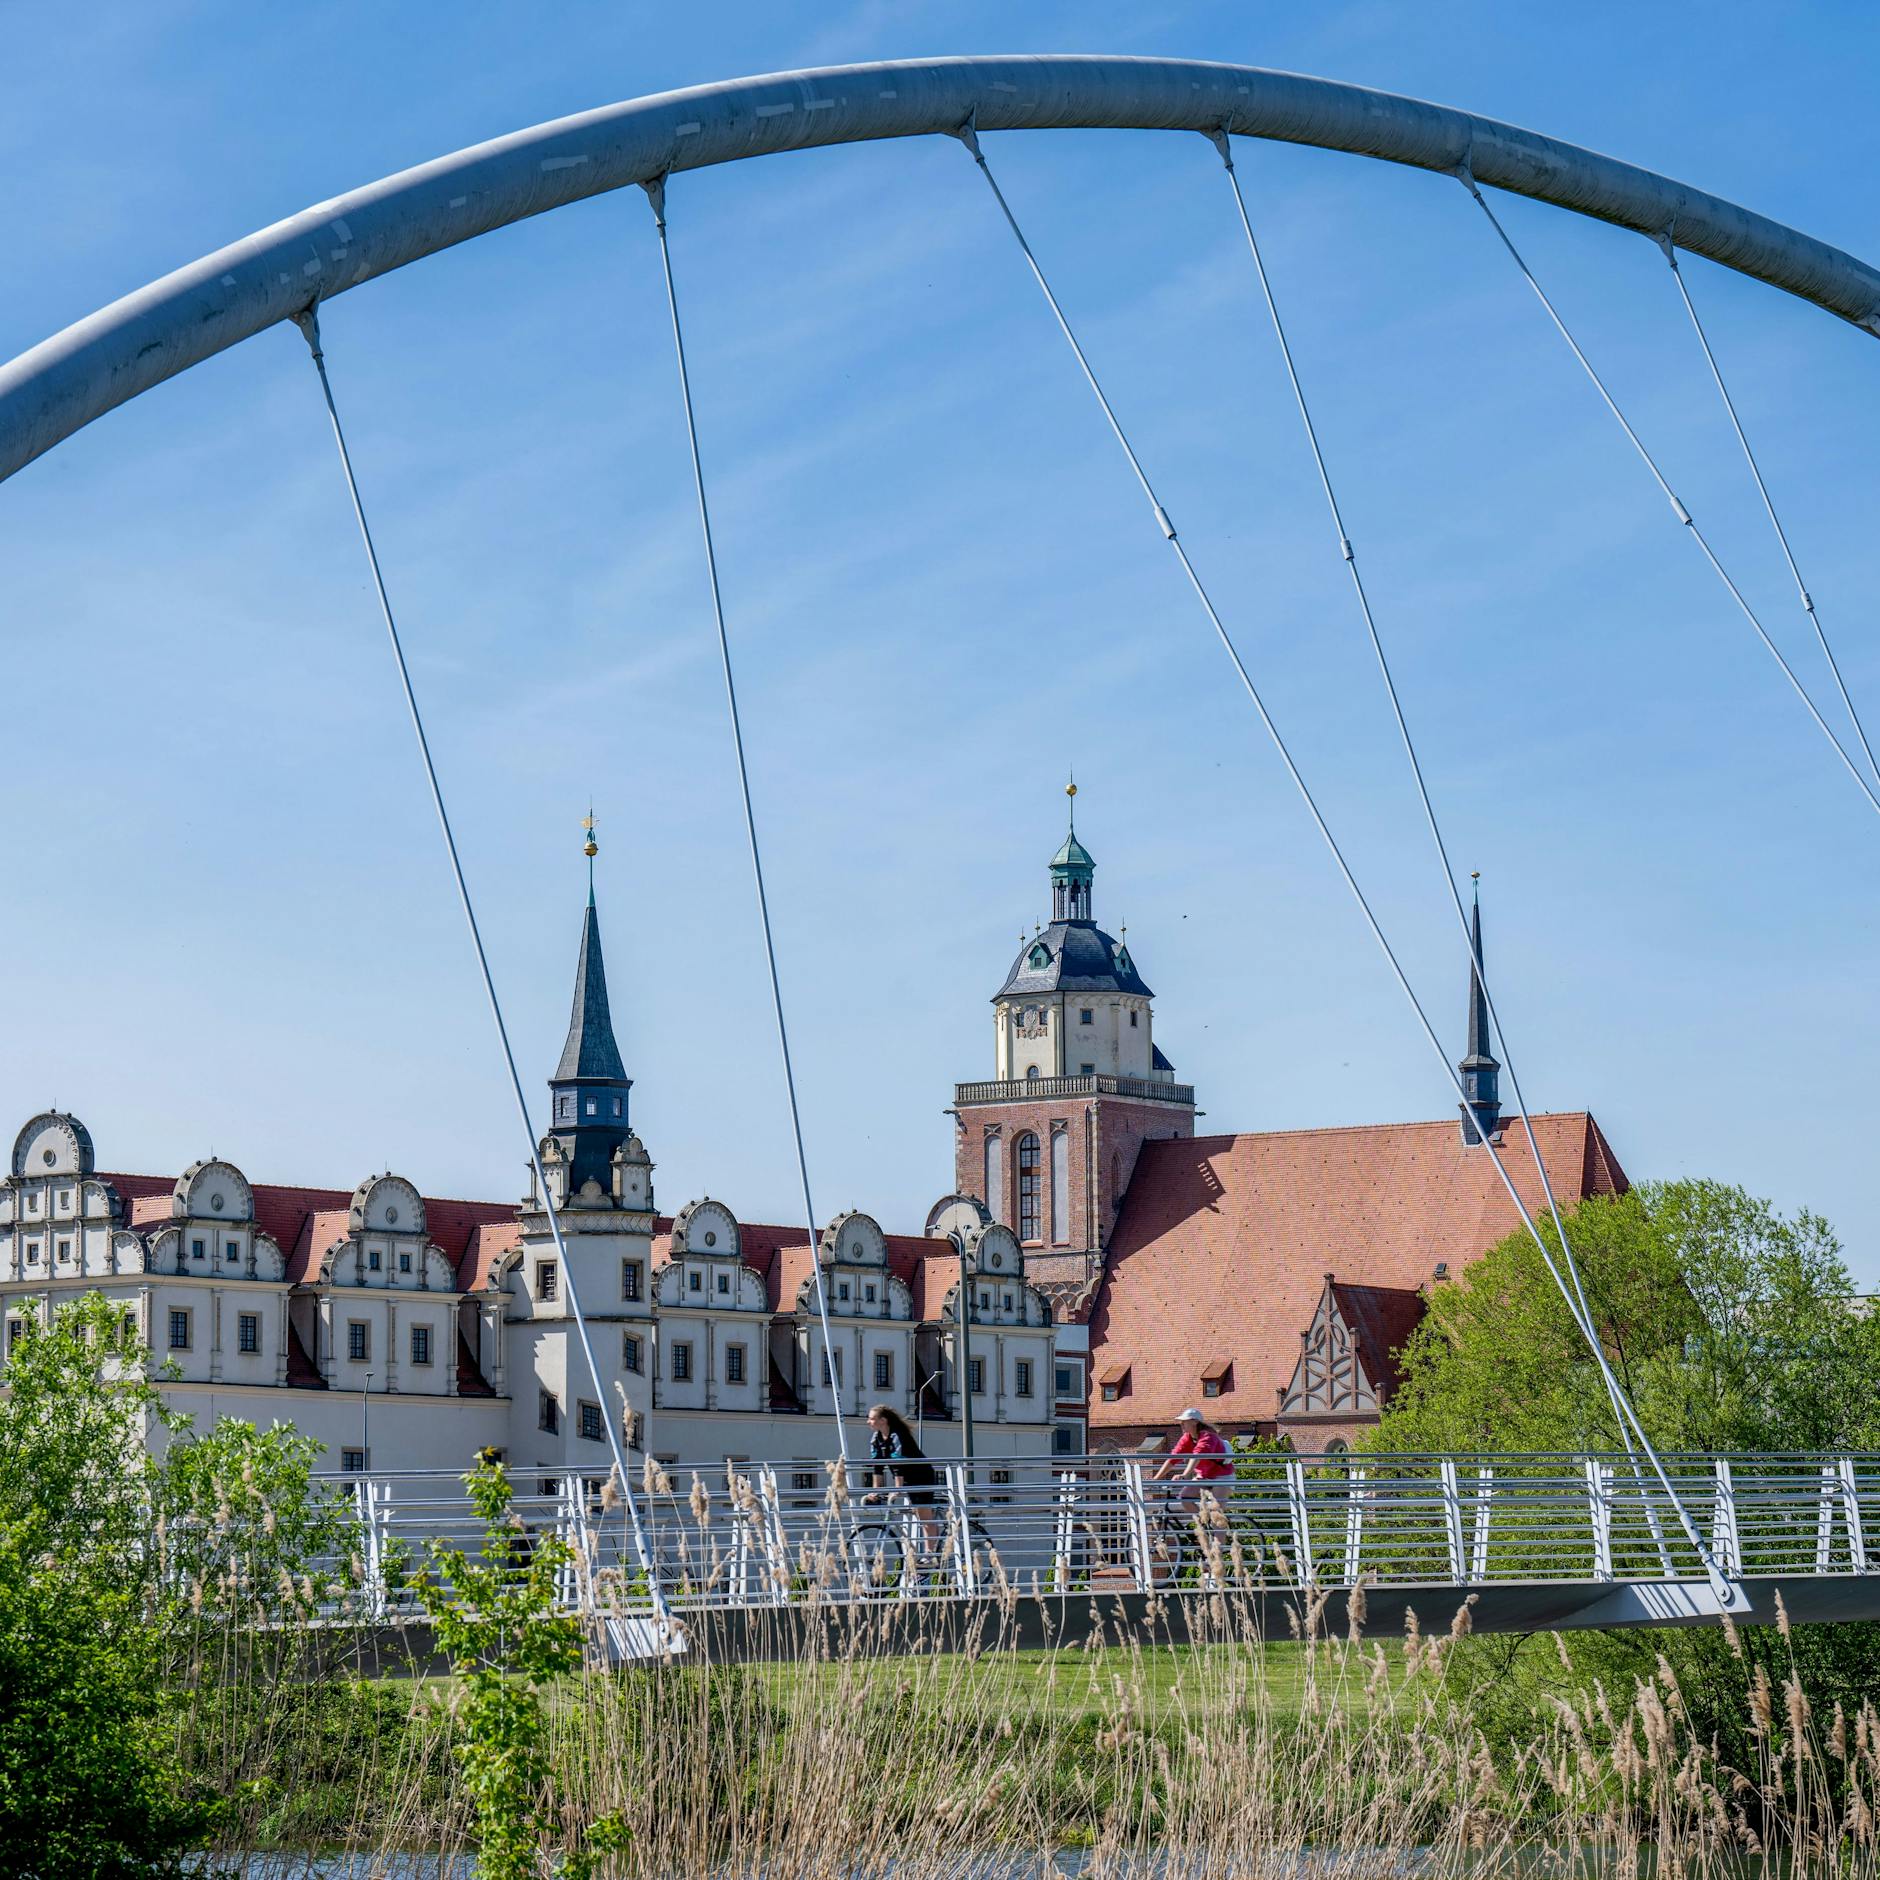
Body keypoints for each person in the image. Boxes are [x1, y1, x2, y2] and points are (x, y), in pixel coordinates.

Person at [862, 1402, 942, 1553]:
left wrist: (897, 1489)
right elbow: (877, 1466)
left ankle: (930, 1554)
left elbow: (898, 1463)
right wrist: (875, 1490)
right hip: (907, 1477)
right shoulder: (876, 1438)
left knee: (924, 1515)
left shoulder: (897, 1435)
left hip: (921, 1476)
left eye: (872, 1419)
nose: (868, 1422)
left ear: (883, 1420)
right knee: (917, 1512)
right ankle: (924, 1550)